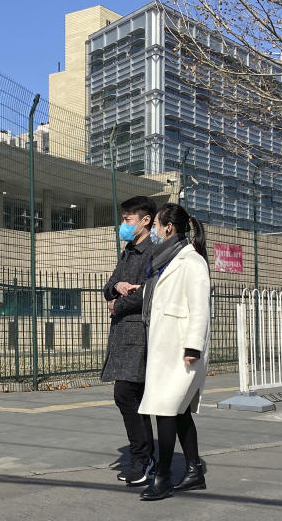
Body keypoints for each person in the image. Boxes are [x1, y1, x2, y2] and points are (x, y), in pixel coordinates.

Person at [137, 203, 210, 501]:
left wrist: (193, 344)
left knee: (166, 410)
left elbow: (200, 307)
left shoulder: (191, 262)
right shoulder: (164, 261)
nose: (153, 230)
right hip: (164, 348)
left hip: (182, 351)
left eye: (155, 224)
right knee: (177, 413)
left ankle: (163, 476)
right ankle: (194, 470)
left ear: (169, 227)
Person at [101, 196, 157, 487]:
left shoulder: (153, 251)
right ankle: (146, 457)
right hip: (124, 334)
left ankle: (142, 458)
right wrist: (116, 287)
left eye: (128, 219)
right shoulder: (129, 250)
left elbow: (149, 292)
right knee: (135, 398)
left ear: (145, 220)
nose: (123, 224)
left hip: (140, 334)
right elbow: (108, 286)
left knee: (126, 395)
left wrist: (117, 305)